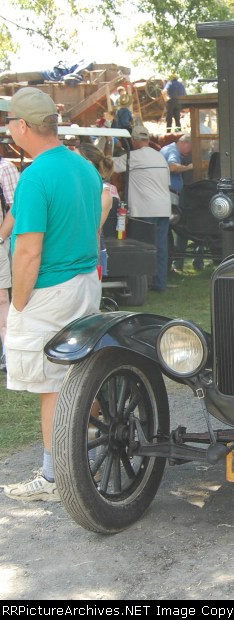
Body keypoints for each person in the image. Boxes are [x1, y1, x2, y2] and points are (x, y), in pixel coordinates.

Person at [3, 87, 102, 501]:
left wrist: (18, 302)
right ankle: (89, 459)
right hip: (85, 281)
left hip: (48, 290)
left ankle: (53, 476)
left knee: (53, 384)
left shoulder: (36, 175)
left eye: (9, 121)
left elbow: (29, 251)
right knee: (81, 374)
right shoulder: (83, 166)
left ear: (23, 126)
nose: (8, 128)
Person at [111, 125, 172, 291]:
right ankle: (160, 283)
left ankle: (140, 284)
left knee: (141, 248)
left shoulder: (134, 157)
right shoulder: (160, 157)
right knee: (161, 247)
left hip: (145, 209)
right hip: (163, 208)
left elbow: (109, 166)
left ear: (133, 140)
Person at [77, 143, 116, 277]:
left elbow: (93, 229)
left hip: (88, 256)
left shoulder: (103, 193)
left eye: (75, 159)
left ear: (88, 163)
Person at [160, 135, 194, 272]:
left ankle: (168, 265)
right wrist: (189, 167)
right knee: (170, 230)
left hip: (167, 194)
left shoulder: (168, 149)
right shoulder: (173, 151)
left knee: (167, 231)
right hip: (169, 195)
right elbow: (173, 167)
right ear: (184, 143)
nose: (190, 152)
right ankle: (168, 265)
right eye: (191, 148)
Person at [0, 152, 20, 373]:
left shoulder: (5, 167)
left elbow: (16, 207)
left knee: (2, 298)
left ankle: (8, 354)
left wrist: (0, 237)